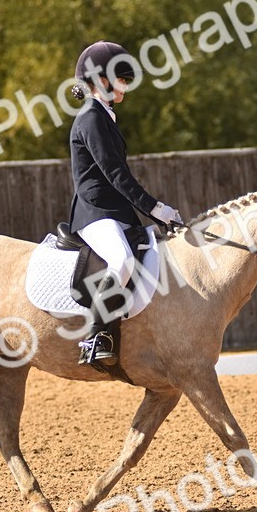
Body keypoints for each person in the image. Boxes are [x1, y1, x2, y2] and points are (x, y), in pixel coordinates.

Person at [67, 41, 182, 367]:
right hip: (95, 212)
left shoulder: (105, 116)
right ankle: (96, 336)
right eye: (121, 78)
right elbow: (116, 174)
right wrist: (156, 209)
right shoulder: (90, 118)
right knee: (121, 260)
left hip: (115, 212)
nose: (126, 85)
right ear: (100, 80)